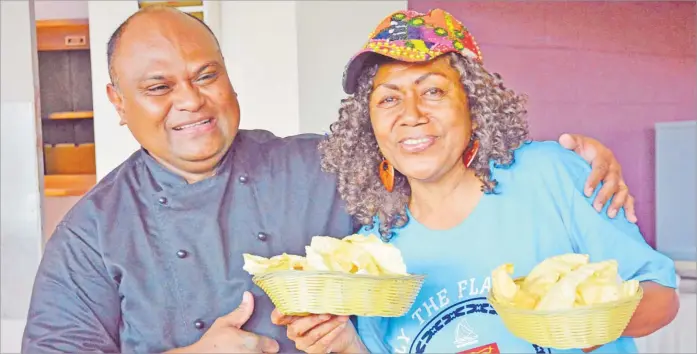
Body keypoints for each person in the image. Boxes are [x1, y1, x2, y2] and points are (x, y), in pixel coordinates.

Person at [22, 6, 640, 354]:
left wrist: (570, 161)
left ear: (229, 79)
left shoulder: (322, 166)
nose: (191, 101)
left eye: (205, 75)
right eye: (158, 87)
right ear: (117, 100)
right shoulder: (90, 235)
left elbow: (438, 156)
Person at [272, 8, 679, 354]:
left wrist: (585, 325)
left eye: (433, 91)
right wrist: (342, 342)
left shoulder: (550, 175)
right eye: (389, 99)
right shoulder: (375, 251)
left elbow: (661, 299)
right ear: (369, 125)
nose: (411, 114)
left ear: (475, 106)